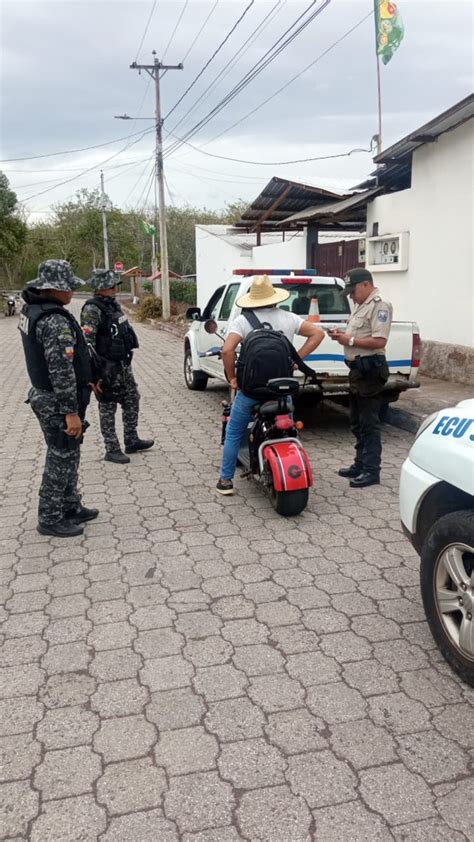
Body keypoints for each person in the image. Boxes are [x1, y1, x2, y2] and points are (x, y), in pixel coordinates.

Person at [216, 275, 325, 495]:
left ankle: (225, 481)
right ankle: (290, 458)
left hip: (251, 391)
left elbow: (227, 351)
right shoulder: (289, 318)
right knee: (289, 428)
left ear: (253, 300)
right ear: (274, 298)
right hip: (282, 390)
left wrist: (233, 378)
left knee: (234, 433)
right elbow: (318, 333)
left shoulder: (242, 321)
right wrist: (297, 360)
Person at [19, 259, 98, 537]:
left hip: (45, 395)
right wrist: (71, 411)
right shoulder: (53, 321)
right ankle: (50, 517)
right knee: (60, 454)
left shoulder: (33, 311)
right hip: (57, 400)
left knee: (69, 453)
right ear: (54, 288)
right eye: (68, 288)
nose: (72, 293)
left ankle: (70, 505)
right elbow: (61, 370)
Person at [80, 269, 154, 464]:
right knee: (108, 405)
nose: (115, 289)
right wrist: (94, 376)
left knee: (132, 397)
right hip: (105, 368)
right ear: (101, 288)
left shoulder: (112, 305)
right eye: (112, 286)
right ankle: (111, 449)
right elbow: (87, 344)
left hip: (122, 365)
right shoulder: (92, 309)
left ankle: (131, 439)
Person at [329, 267, 392, 488]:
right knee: (356, 421)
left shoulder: (379, 306)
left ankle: (371, 471)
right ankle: (359, 464)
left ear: (365, 284)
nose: (351, 296)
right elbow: (356, 335)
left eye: (353, 291)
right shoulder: (360, 307)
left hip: (371, 371)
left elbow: (379, 341)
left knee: (369, 423)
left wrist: (350, 341)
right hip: (357, 371)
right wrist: (343, 336)